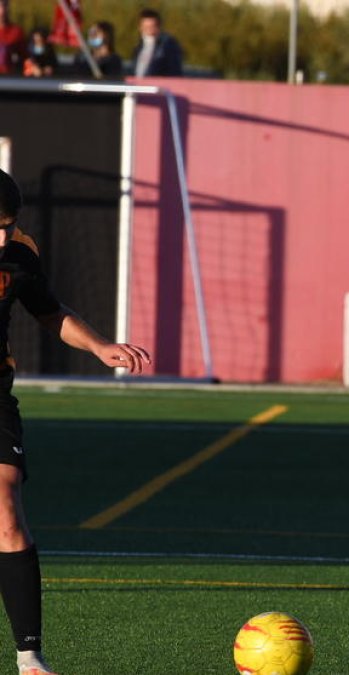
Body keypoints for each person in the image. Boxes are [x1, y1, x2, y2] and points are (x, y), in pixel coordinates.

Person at [0, 169, 151, 675]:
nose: (1, 237)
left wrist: (100, 346)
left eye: (8, 225)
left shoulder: (20, 252)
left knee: (6, 501)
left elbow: (47, 310)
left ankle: (30, 659)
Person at [130, 8, 182, 77]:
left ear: (158, 27)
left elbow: (175, 72)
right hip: (139, 86)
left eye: (151, 27)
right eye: (145, 28)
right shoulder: (138, 48)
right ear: (140, 28)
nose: (149, 32)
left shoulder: (168, 47)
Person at [0, 1, 25, 77]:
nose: (3, 10)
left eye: (5, 6)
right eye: (0, 6)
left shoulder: (16, 31)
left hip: (10, 79)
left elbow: (24, 57)